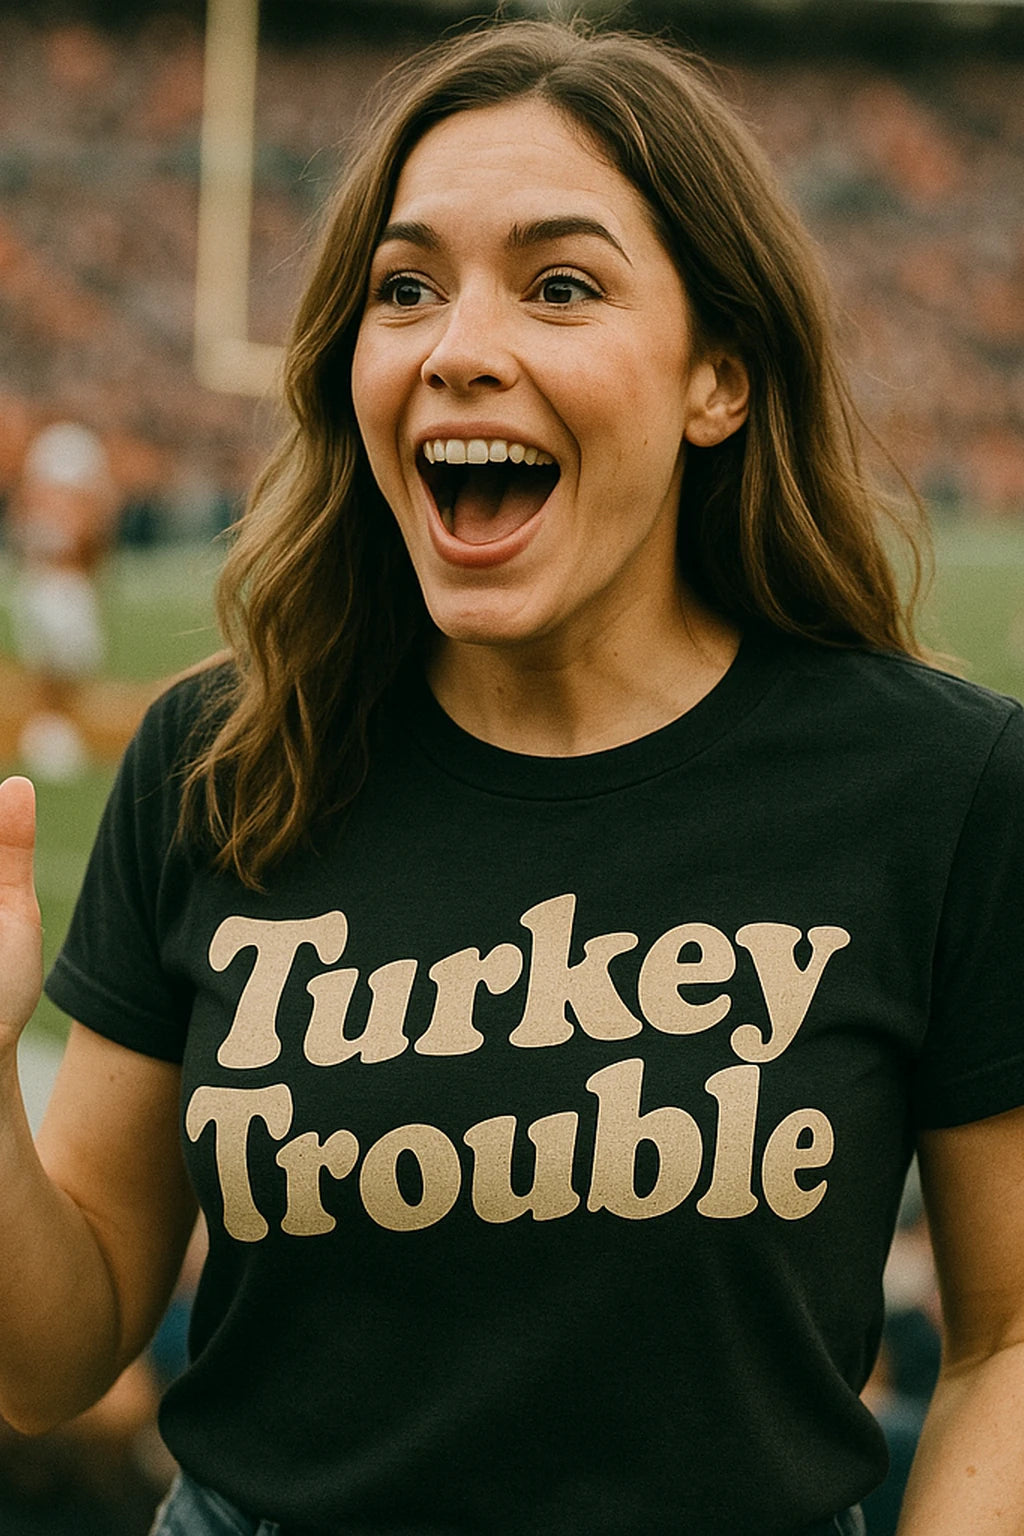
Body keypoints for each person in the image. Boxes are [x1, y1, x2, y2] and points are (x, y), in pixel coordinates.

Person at [0, 19, 1022, 1535]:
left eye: (561, 286)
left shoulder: (937, 782)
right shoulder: (223, 757)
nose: (458, 345)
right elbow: (53, 1355)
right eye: (405, 288)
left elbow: (1004, 1336)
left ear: (717, 379)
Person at [6, 420, 119, 779]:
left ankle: (52, 728)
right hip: (52, 579)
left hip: (60, 578)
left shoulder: (60, 458)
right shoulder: (59, 465)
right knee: (54, 664)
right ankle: (49, 730)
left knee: (69, 664)